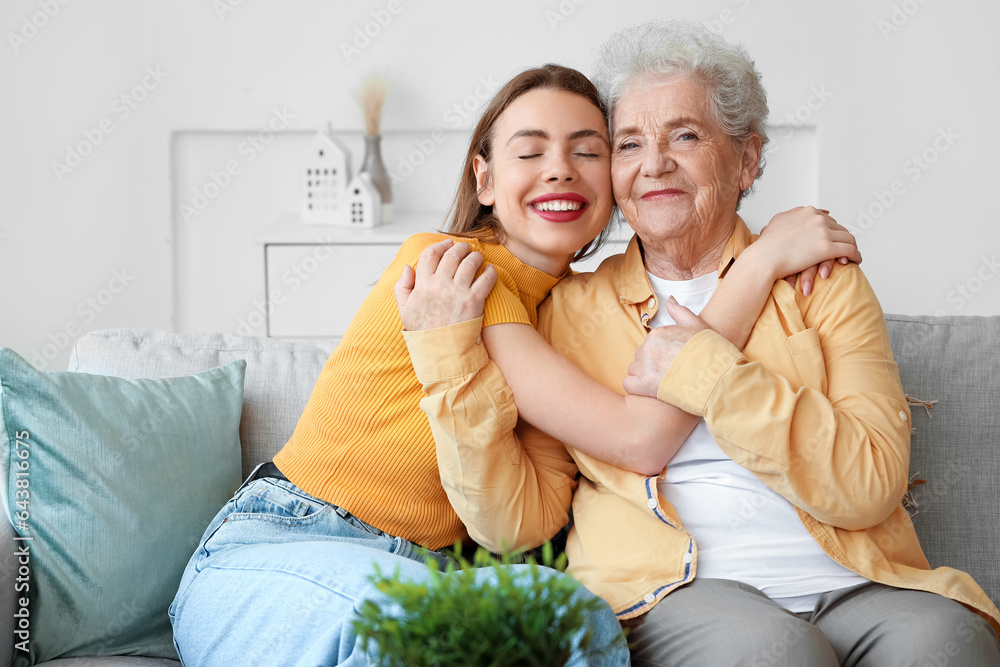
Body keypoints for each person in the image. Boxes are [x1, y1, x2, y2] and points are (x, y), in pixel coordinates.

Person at [169, 64, 857, 665]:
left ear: (614, 184)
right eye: (531, 151)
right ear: (486, 178)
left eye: (587, 152)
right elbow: (640, 435)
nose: (560, 168)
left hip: (424, 569)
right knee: (411, 626)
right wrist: (761, 262)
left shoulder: (569, 319)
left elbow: (526, 511)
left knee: (574, 622)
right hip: (276, 550)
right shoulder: (450, 270)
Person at [399, 21, 1000, 667]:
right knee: (778, 652)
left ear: (747, 159)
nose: (654, 163)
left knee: (947, 639)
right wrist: (451, 360)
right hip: (673, 592)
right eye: (628, 143)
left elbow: (870, 483)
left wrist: (708, 371)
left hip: (859, 581)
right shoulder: (568, 310)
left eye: (684, 135)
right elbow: (517, 525)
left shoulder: (823, 280)